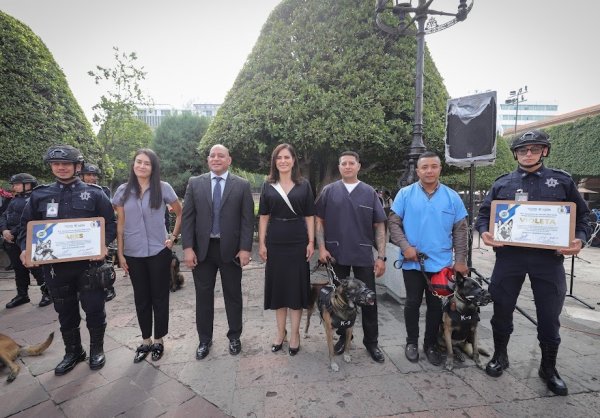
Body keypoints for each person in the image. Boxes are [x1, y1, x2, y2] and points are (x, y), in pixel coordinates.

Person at [475, 130, 591, 396]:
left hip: (548, 261)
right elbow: (483, 215)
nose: (528, 154)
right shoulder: (502, 183)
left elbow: (583, 218)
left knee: (549, 317)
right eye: (523, 150)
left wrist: (579, 239)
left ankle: (548, 368)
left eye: (535, 149)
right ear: (516, 153)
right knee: (501, 310)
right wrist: (484, 232)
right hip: (509, 258)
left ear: (544, 151)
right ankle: (500, 356)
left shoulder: (561, 182)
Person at [18, 145, 116, 375]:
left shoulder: (95, 193)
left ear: (77, 166)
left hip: (90, 266)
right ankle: (74, 351)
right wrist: (25, 249)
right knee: (65, 311)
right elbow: (26, 228)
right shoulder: (40, 195)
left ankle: (96, 350)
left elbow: (110, 223)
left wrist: (103, 245)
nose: (61, 168)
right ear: (51, 166)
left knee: (94, 309)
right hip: (55, 268)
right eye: (56, 164)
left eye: (66, 164)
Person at [388, 151, 469, 365]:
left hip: (441, 265)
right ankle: (411, 342)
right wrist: (405, 247)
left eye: (433, 166)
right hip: (412, 262)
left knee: (436, 306)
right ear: (418, 171)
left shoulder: (452, 197)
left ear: (440, 169)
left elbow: (461, 230)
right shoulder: (405, 194)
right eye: (424, 167)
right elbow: (393, 223)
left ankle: (430, 344)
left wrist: (460, 260)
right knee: (412, 303)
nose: (429, 170)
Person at [182, 144, 254, 360]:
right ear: (208, 160)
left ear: (229, 160)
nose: (216, 158)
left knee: (233, 295)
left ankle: (234, 336)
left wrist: (245, 249)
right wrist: (187, 248)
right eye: (212, 155)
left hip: (231, 250)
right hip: (202, 251)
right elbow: (187, 218)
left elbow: (247, 220)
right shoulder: (195, 183)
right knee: (203, 297)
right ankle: (205, 339)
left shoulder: (241, 185)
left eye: (220, 155)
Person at [315, 151, 387, 364]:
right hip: (336, 255)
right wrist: (321, 248)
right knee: (337, 302)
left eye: (351, 163)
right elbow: (319, 220)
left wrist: (381, 256)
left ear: (358, 166)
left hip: (363, 254)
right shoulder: (329, 191)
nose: (347, 166)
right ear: (339, 167)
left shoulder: (369, 193)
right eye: (343, 163)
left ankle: (372, 342)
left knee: (369, 300)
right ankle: (343, 336)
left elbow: (379, 226)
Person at [112, 149, 182, 363]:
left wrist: (173, 237)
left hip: (159, 251)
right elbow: (121, 224)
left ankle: (159, 340)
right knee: (141, 298)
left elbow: (180, 212)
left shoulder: (163, 188)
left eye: (147, 163)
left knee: (160, 297)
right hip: (133, 253)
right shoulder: (123, 191)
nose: (142, 166)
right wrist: (121, 254)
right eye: (138, 162)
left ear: (153, 167)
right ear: (133, 165)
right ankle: (146, 340)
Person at [258, 144, 315, 355]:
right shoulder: (268, 185)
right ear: (275, 161)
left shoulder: (304, 185)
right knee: (279, 289)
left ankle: (295, 334)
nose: (283, 161)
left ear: (293, 160)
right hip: (276, 241)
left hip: (298, 240)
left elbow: (310, 215)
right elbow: (263, 217)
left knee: (296, 288)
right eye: (279, 157)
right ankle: (280, 333)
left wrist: (311, 242)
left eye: (287, 157)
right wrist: (262, 243)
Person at [1, 173, 51, 308]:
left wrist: (13, 232)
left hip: (28, 238)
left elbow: (31, 220)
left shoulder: (35, 199)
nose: (14, 187)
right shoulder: (12, 199)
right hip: (10, 241)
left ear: (27, 184)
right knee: (19, 269)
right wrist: (4, 230)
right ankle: (22, 295)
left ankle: (47, 293)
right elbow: (4, 215)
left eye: (16, 184)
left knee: (36, 268)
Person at [80, 163, 117, 302]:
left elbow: (108, 212)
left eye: (94, 175)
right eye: (89, 174)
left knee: (104, 263)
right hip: (82, 233)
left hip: (99, 231)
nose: (92, 177)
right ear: (82, 176)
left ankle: (108, 287)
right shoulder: (75, 191)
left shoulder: (103, 190)